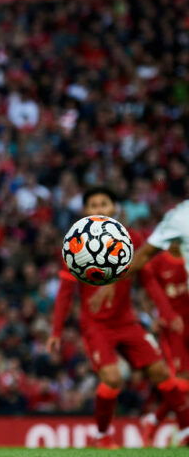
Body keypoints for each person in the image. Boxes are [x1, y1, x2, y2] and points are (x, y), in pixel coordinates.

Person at [46, 186, 189, 449]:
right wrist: (56, 331)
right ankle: (102, 436)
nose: (99, 210)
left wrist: (167, 314)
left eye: (104, 204)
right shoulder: (75, 246)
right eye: (93, 206)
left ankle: (185, 430)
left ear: (115, 209)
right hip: (97, 325)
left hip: (127, 322)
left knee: (161, 372)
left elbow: (149, 282)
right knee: (113, 378)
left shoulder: (131, 239)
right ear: (85, 212)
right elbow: (65, 294)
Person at [139, 242, 189, 445]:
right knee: (183, 379)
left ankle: (154, 420)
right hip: (172, 330)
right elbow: (145, 293)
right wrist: (152, 318)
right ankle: (176, 427)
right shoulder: (158, 262)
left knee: (184, 383)